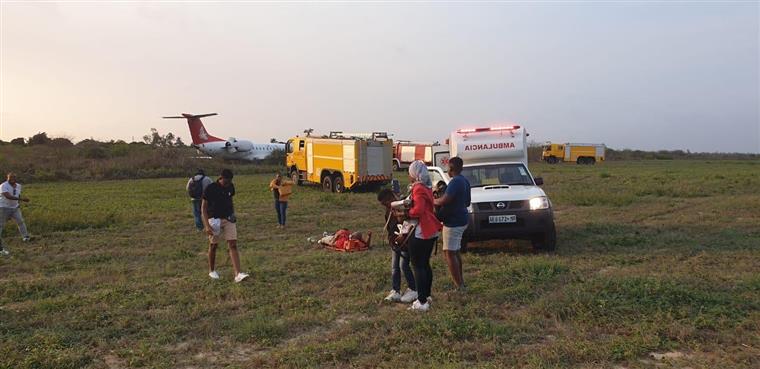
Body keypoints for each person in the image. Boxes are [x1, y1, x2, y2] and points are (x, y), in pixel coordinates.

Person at [405, 160, 442, 312]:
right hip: (432, 229)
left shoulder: (418, 188)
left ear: (414, 173)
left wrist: (408, 212)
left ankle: (421, 301)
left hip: (422, 230)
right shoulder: (427, 187)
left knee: (417, 265)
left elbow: (418, 210)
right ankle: (426, 295)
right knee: (425, 264)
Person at [202, 169, 249, 283]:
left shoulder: (230, 187)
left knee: (233, 244)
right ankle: (212, 270)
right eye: (225, 182)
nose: (227, 184)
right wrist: (207, 226)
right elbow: (203, 208)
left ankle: (237, 274)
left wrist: (232, 213)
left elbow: (230, 200)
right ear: (220, 178)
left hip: (228, 219)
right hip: (214, 219)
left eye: (229, 182)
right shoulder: (211, 188)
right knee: (213, 245)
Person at [434, 156, 471, 291]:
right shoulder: (465, 181)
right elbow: (467, 202)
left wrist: (433, 201)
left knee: (449, 253)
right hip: (462, 219)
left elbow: (444, 200)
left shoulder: (455, 182)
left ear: (451, 168)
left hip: (453, 222)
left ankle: (459, 286)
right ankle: (460, 282)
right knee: (455, 251)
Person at [377, 189, 417, 303]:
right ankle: (396, 290)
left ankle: (413, 288)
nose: (385, 206)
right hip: (394, 242)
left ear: (390, 198)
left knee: (403, 265)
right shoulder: (389, 210)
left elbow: (409, 222)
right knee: (395, 267)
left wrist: (403, 235)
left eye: (385, 203)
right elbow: (390, 226)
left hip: (405, 241)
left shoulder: (402, 206)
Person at [0, 173, 31, 256]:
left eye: (14, 177)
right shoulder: (3, 185)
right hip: (3, 208)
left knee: (20, 221)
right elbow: (8, 196)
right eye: (10, 178)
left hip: (15, 207)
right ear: (7, 178)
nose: (12, 179)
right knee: (1, 225)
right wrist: (22, 199)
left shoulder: (18, 186)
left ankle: (26, 237)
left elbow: (18, 194)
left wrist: (18, 202)